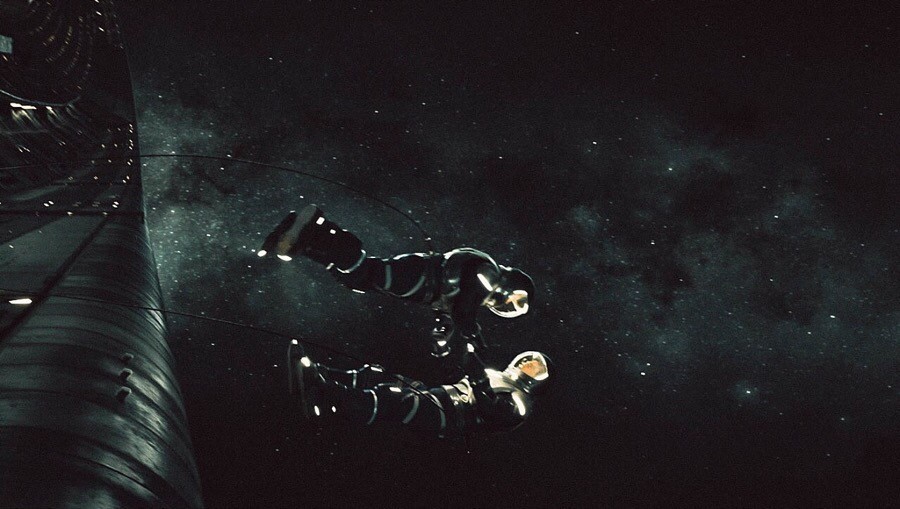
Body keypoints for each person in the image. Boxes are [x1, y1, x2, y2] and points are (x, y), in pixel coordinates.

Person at [259, 204, 535, 362]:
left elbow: (452, 310)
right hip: (418, 275)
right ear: (515, 282)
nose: (511, 304)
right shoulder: (487, 272)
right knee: (364, 270)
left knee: (355, 279)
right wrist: (472, 334)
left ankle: (305, 242)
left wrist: (443, 339)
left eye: (515, 308)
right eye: (518, 299)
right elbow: (465, 307)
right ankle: (320, 227)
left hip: (417, 287)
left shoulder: (474, 296)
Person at [286, 339, 550, 435]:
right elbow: (455, 376)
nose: (527, 365)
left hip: (448, 415)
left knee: (392, 400)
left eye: (536, 368)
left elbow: (493, 412)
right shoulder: (496, 375)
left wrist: (477, 373)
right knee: (381, 377)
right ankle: (318, 374)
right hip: (438, 397)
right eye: (529, 360)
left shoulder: (521, 402)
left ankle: (325, 397)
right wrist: (443, 349)